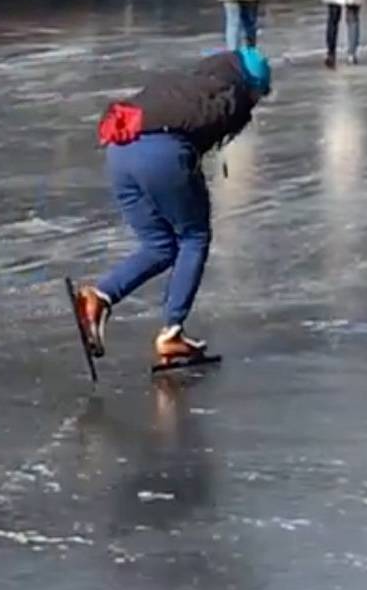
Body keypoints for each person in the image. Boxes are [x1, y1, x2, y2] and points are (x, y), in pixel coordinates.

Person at [69, 47, 273, 370]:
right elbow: (211, 124)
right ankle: (172, 332)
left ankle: (99, 297)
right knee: (194, 236)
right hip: (161, 154)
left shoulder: (188, 81)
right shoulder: (229, 94)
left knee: (159, 246)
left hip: (119, 151)